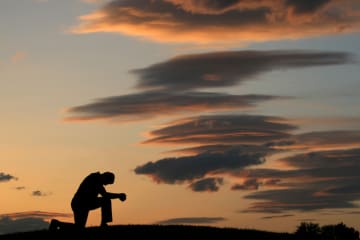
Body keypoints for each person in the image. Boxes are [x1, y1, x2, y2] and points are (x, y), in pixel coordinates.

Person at [49, 171, 126, 231]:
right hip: (81, 204)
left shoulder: (97, 179)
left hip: (84, 203)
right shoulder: (95, 179)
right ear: (105, 177)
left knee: (79, 228)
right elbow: (105, 195)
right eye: (107, 183)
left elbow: (104, 194)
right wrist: (119, 195)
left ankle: (56, 224)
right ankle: (104, 224)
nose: (106, 185)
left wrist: (118, 195)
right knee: (106, 200)